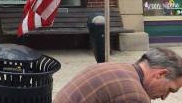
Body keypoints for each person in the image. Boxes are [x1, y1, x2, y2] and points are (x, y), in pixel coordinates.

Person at [53, 47, 182, 102]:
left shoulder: (119, 68)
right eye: (170, 90)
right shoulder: (136, 96)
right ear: (160, 74)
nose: (164, 97)